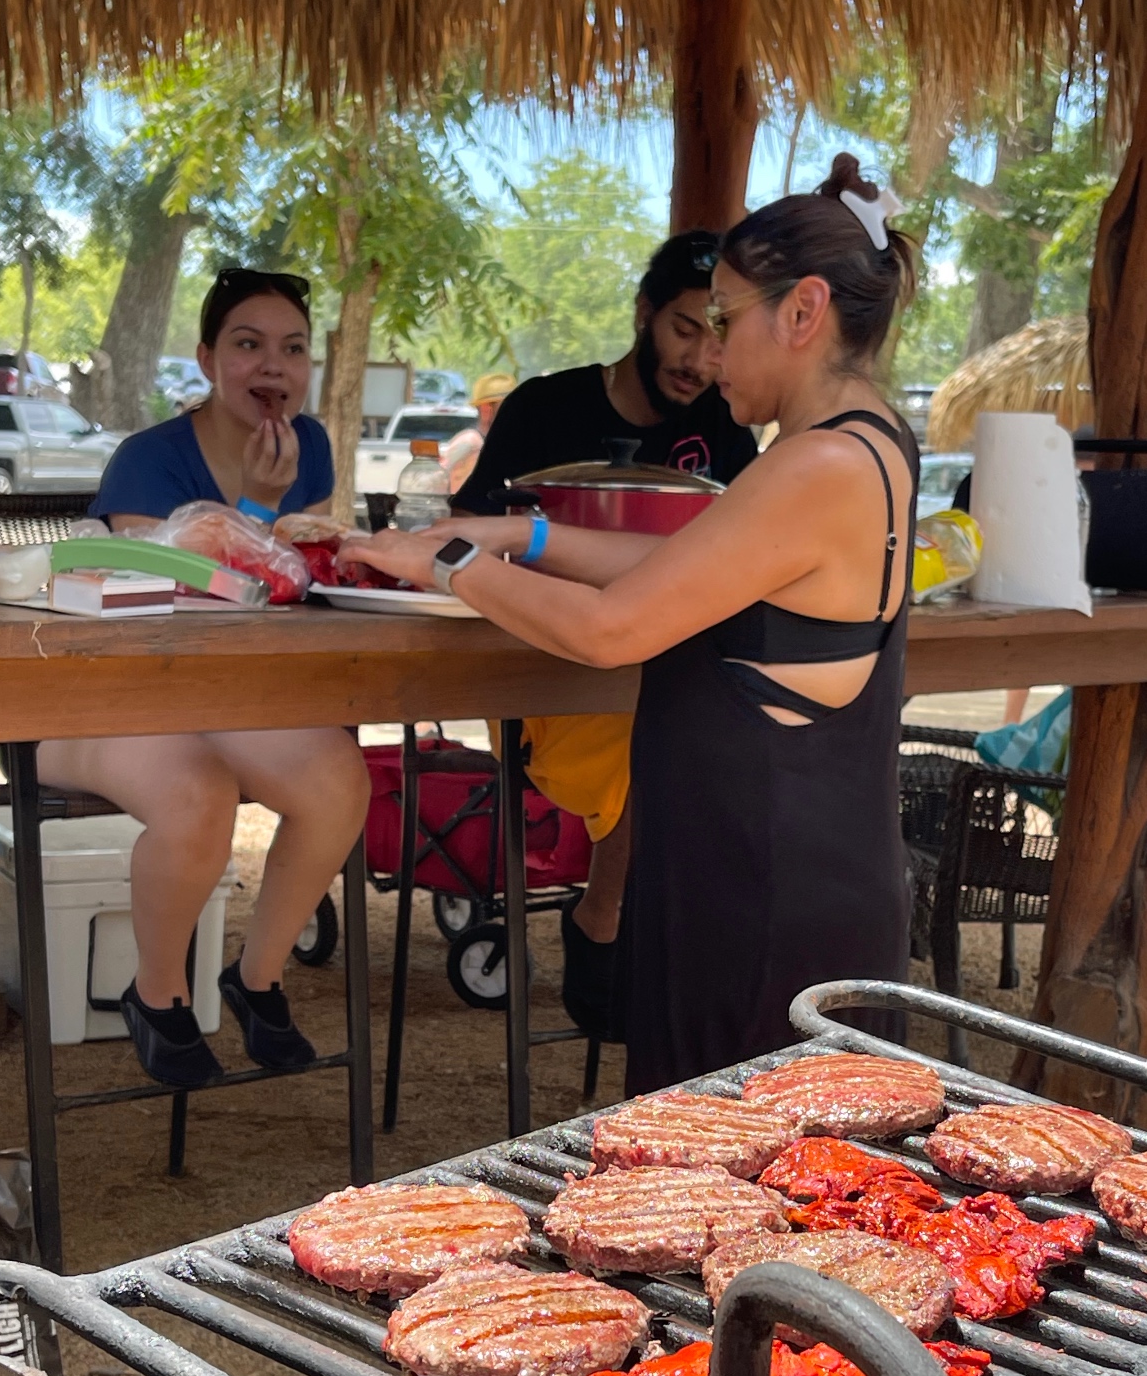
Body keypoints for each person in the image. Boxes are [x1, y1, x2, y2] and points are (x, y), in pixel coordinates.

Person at [340, 157, 917, 1091]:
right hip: (786, 879)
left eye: (727, 319)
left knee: (735, 1193)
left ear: (803, 312)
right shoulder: (867, 441)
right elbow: (686, 568)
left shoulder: (816, 467)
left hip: (763, 902)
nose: (713, 352)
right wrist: (510, 532)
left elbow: (613, 630)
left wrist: (451, 566)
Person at [41, 268, 371, 1090]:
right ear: (206, 358)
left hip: (225, 695)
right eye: (248, 345)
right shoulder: (150, 458)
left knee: (338, 779)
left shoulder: (312, 447)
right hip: (98, 697)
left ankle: (256, 979)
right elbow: (163, 601)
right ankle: (157, 995)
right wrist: (256, 511)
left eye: (293, 349)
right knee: (198, 794)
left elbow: (293, 581)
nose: (273, 367)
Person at [450, 231, 759, 1039]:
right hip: (546, 668)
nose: (699, 358)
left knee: (730, 740)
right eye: (685, 329)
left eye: (718, 337)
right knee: (655, 741)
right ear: (644, 315)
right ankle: (609, 911)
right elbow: (470, 532)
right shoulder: (544, 408)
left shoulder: (727, 432)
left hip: (676, 657)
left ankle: (682, 944)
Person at [444, 372, 517, 497]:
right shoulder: (470, 441)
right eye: (507, 406)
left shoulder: (506, 444)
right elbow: (435, 476)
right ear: (486, 409)